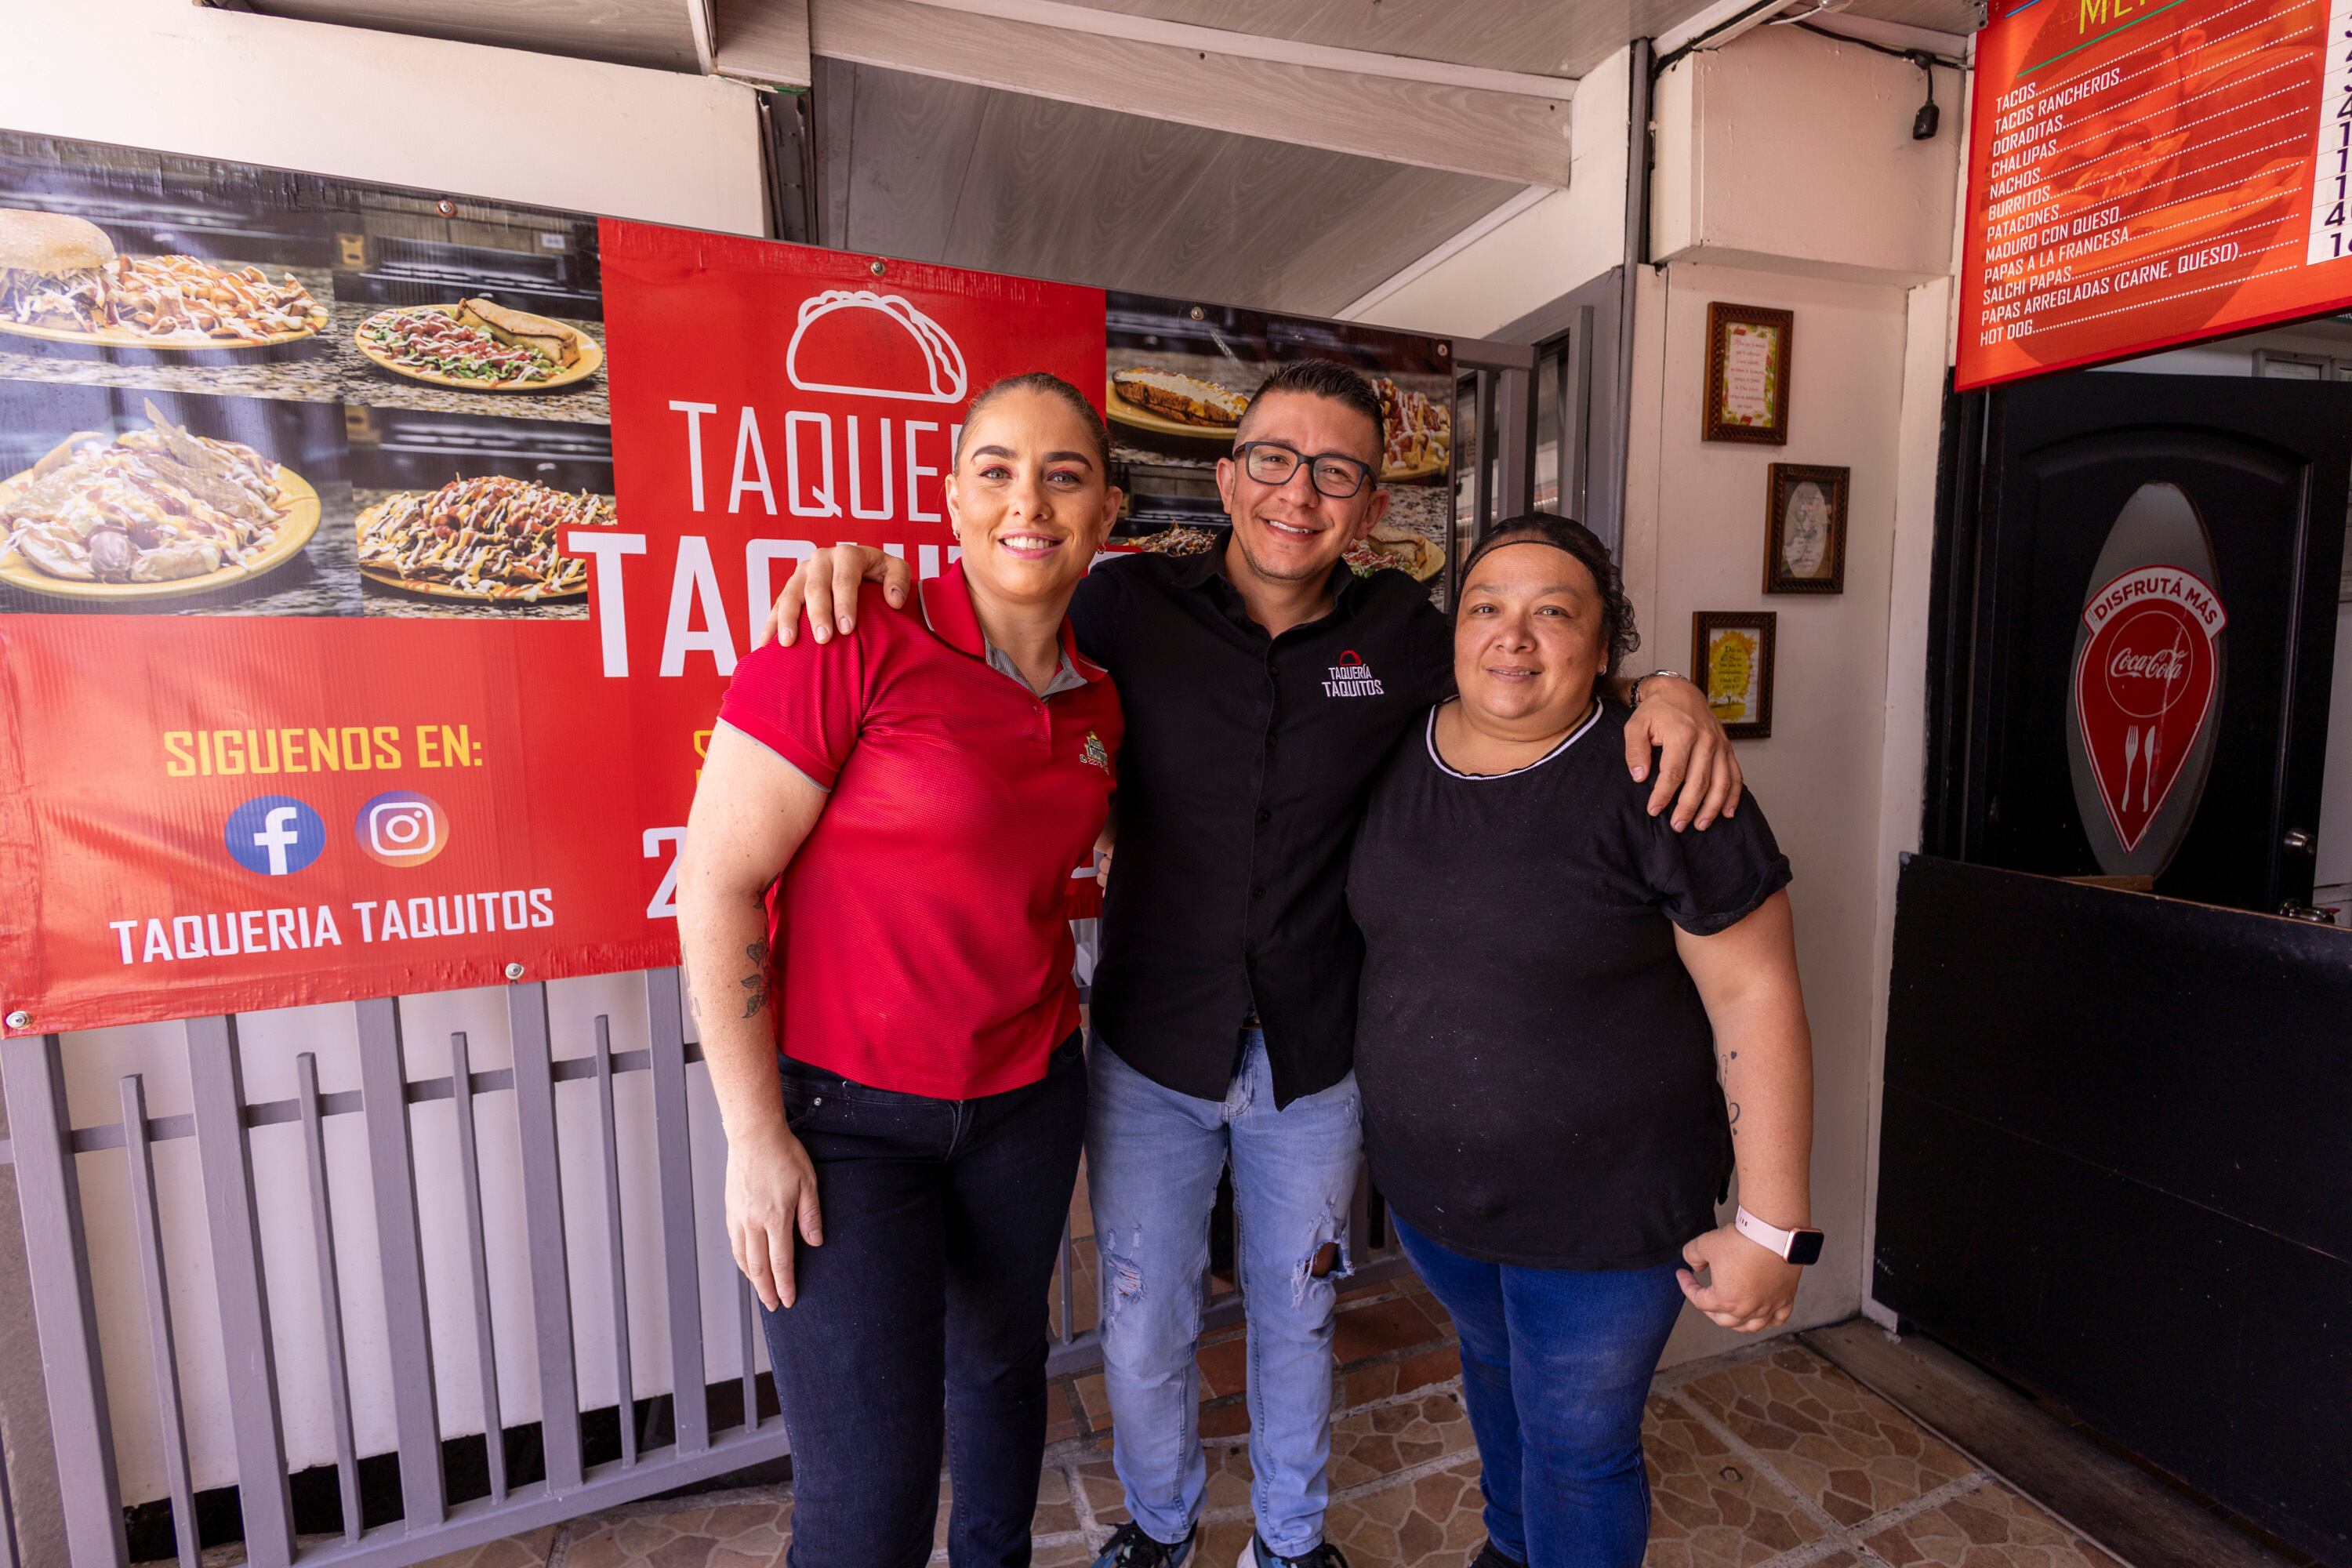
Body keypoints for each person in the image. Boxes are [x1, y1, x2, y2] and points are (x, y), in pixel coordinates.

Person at [762, 361, 1744, 1568]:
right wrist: (858, 567)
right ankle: (1163, 1527)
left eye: (1338, 472)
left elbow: (1530, 669)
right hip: (1149, 1046)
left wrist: (1669, 692)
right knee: (1143, 1328)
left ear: (1373, 508)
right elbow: (987, 601)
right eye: (1274, 460)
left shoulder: (1405, 635)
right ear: (1226, 478)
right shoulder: (1121, 608)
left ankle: (1288, 1541)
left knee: (1298, 1314)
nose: (1300, 492)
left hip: (1318, 1054)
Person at [675, 373, 1124, 1568]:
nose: (1028, 500)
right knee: (866, 1502)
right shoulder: (846, 636)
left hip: (1027, 1098)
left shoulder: (1100, 702)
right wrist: (753, 1134)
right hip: (846, 1124)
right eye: (996, 470)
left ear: (1105, 512)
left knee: (999, 1378)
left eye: (1063, 475)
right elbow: (717, 888)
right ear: (952, 498)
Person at [1346, 515, 1817, 1568]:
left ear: (1605, 651)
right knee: (1497, 1384)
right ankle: (1511, 1552)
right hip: (1437, 1207)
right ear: (1453, 633)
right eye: (1487, 609)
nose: (1514, 637)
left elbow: (1756, 993)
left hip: (1607, 1218)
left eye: (1553, 613)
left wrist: (1776, 1227)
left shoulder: (1663, 777)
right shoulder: (1395, 751)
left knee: (1580, 1451)